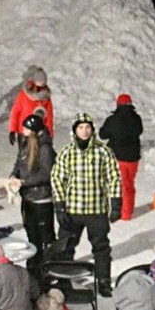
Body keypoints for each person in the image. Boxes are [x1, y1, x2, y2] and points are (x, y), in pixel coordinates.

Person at [50, 112, 122, 291]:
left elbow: (114, 177)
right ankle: (64, 281)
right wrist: (59, 207)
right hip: (72, 210)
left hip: (96, 210)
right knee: (65, 248)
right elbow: (57, 179)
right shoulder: (67, 153)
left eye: (88, 127)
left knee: (101, 248)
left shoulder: (103, 152)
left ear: (92, 130)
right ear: (74, 130)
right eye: (81, 127)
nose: (84, 131)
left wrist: (116, 203)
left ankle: (103, 281)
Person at [7, 110, 56, 275]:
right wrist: (14, 176)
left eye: (27, 130)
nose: (23, 132)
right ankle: (34, 268)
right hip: (27, 197)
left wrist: (24, 182)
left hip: (41, 199)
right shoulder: (26, 143)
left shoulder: (45, 149)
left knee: (45, 237)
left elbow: (45, 173)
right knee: (32, 234)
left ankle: (48, 268)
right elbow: (19, 163)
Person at [99, 93, 142, 221]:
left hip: (119, 157)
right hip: (134, 157)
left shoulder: (112, 120)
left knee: (122, 185)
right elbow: (140, 131)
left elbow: (102, 134)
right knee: (130, 183)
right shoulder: (137, 118)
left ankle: (125, 213)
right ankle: (130, 207)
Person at [6, 66, 54, 144]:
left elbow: (49, 117)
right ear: (35, 81)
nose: (42, 84)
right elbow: (15, 112)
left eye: (43, 82)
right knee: (24, 155)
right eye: (39, 81)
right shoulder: (24, 94)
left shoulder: (46, 96)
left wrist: (50, 134)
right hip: (24, 132)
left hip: (39, 132)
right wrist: (12, 130)